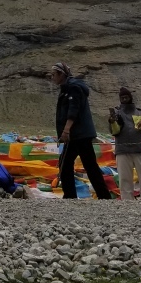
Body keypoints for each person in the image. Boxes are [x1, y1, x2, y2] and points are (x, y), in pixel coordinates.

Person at [49, 62, 112, 200]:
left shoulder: (74, 88)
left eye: (54, 74)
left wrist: (66, 131)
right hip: (77, 134)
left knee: (69, 163)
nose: (52, 77)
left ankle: (71, 195)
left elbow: (73, 110)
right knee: (87, 165)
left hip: (78, 134)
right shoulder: (67, 88)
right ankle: (103, 196)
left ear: (61, 74)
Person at [109, 87, 141, 201]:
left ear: (130, 97)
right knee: (124, 180)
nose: (124, 99)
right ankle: (127, 203)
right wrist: (112, 121)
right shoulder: (116, 113)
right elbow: (115, 131)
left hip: (140, 150)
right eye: (122, 97)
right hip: (122, 151)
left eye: (126, 97)